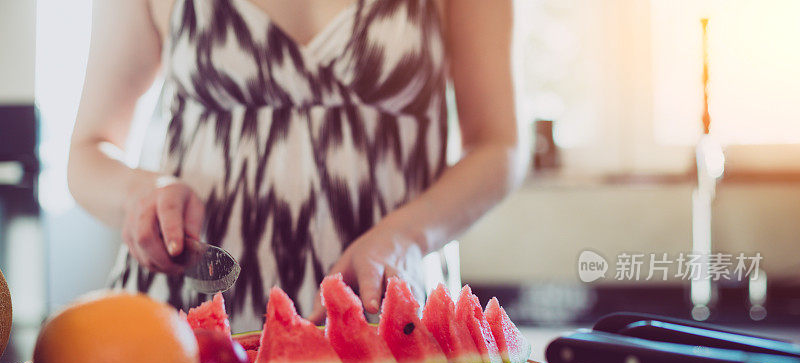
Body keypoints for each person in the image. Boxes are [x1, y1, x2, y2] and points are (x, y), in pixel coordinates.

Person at [68, 0, 523, 332]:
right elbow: (87, 152)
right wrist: (139, 193)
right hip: (182, 324)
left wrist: (405, 237)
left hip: (384, 312)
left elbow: (499, 145)